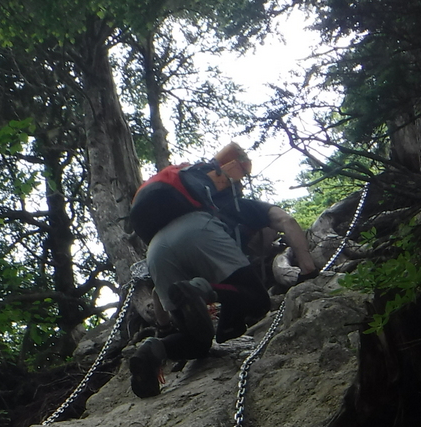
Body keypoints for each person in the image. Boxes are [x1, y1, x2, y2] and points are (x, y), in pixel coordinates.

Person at [128, 143, 319, 398]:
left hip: (156, 249)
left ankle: (154, 349)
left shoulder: (200, 198)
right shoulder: (237, 205)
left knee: (197, 342)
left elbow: (158, 298)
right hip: (198, 230)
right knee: (257, 298)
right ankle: (202, 289)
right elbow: (287, 221)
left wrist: (163, 325)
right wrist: (308, 271)